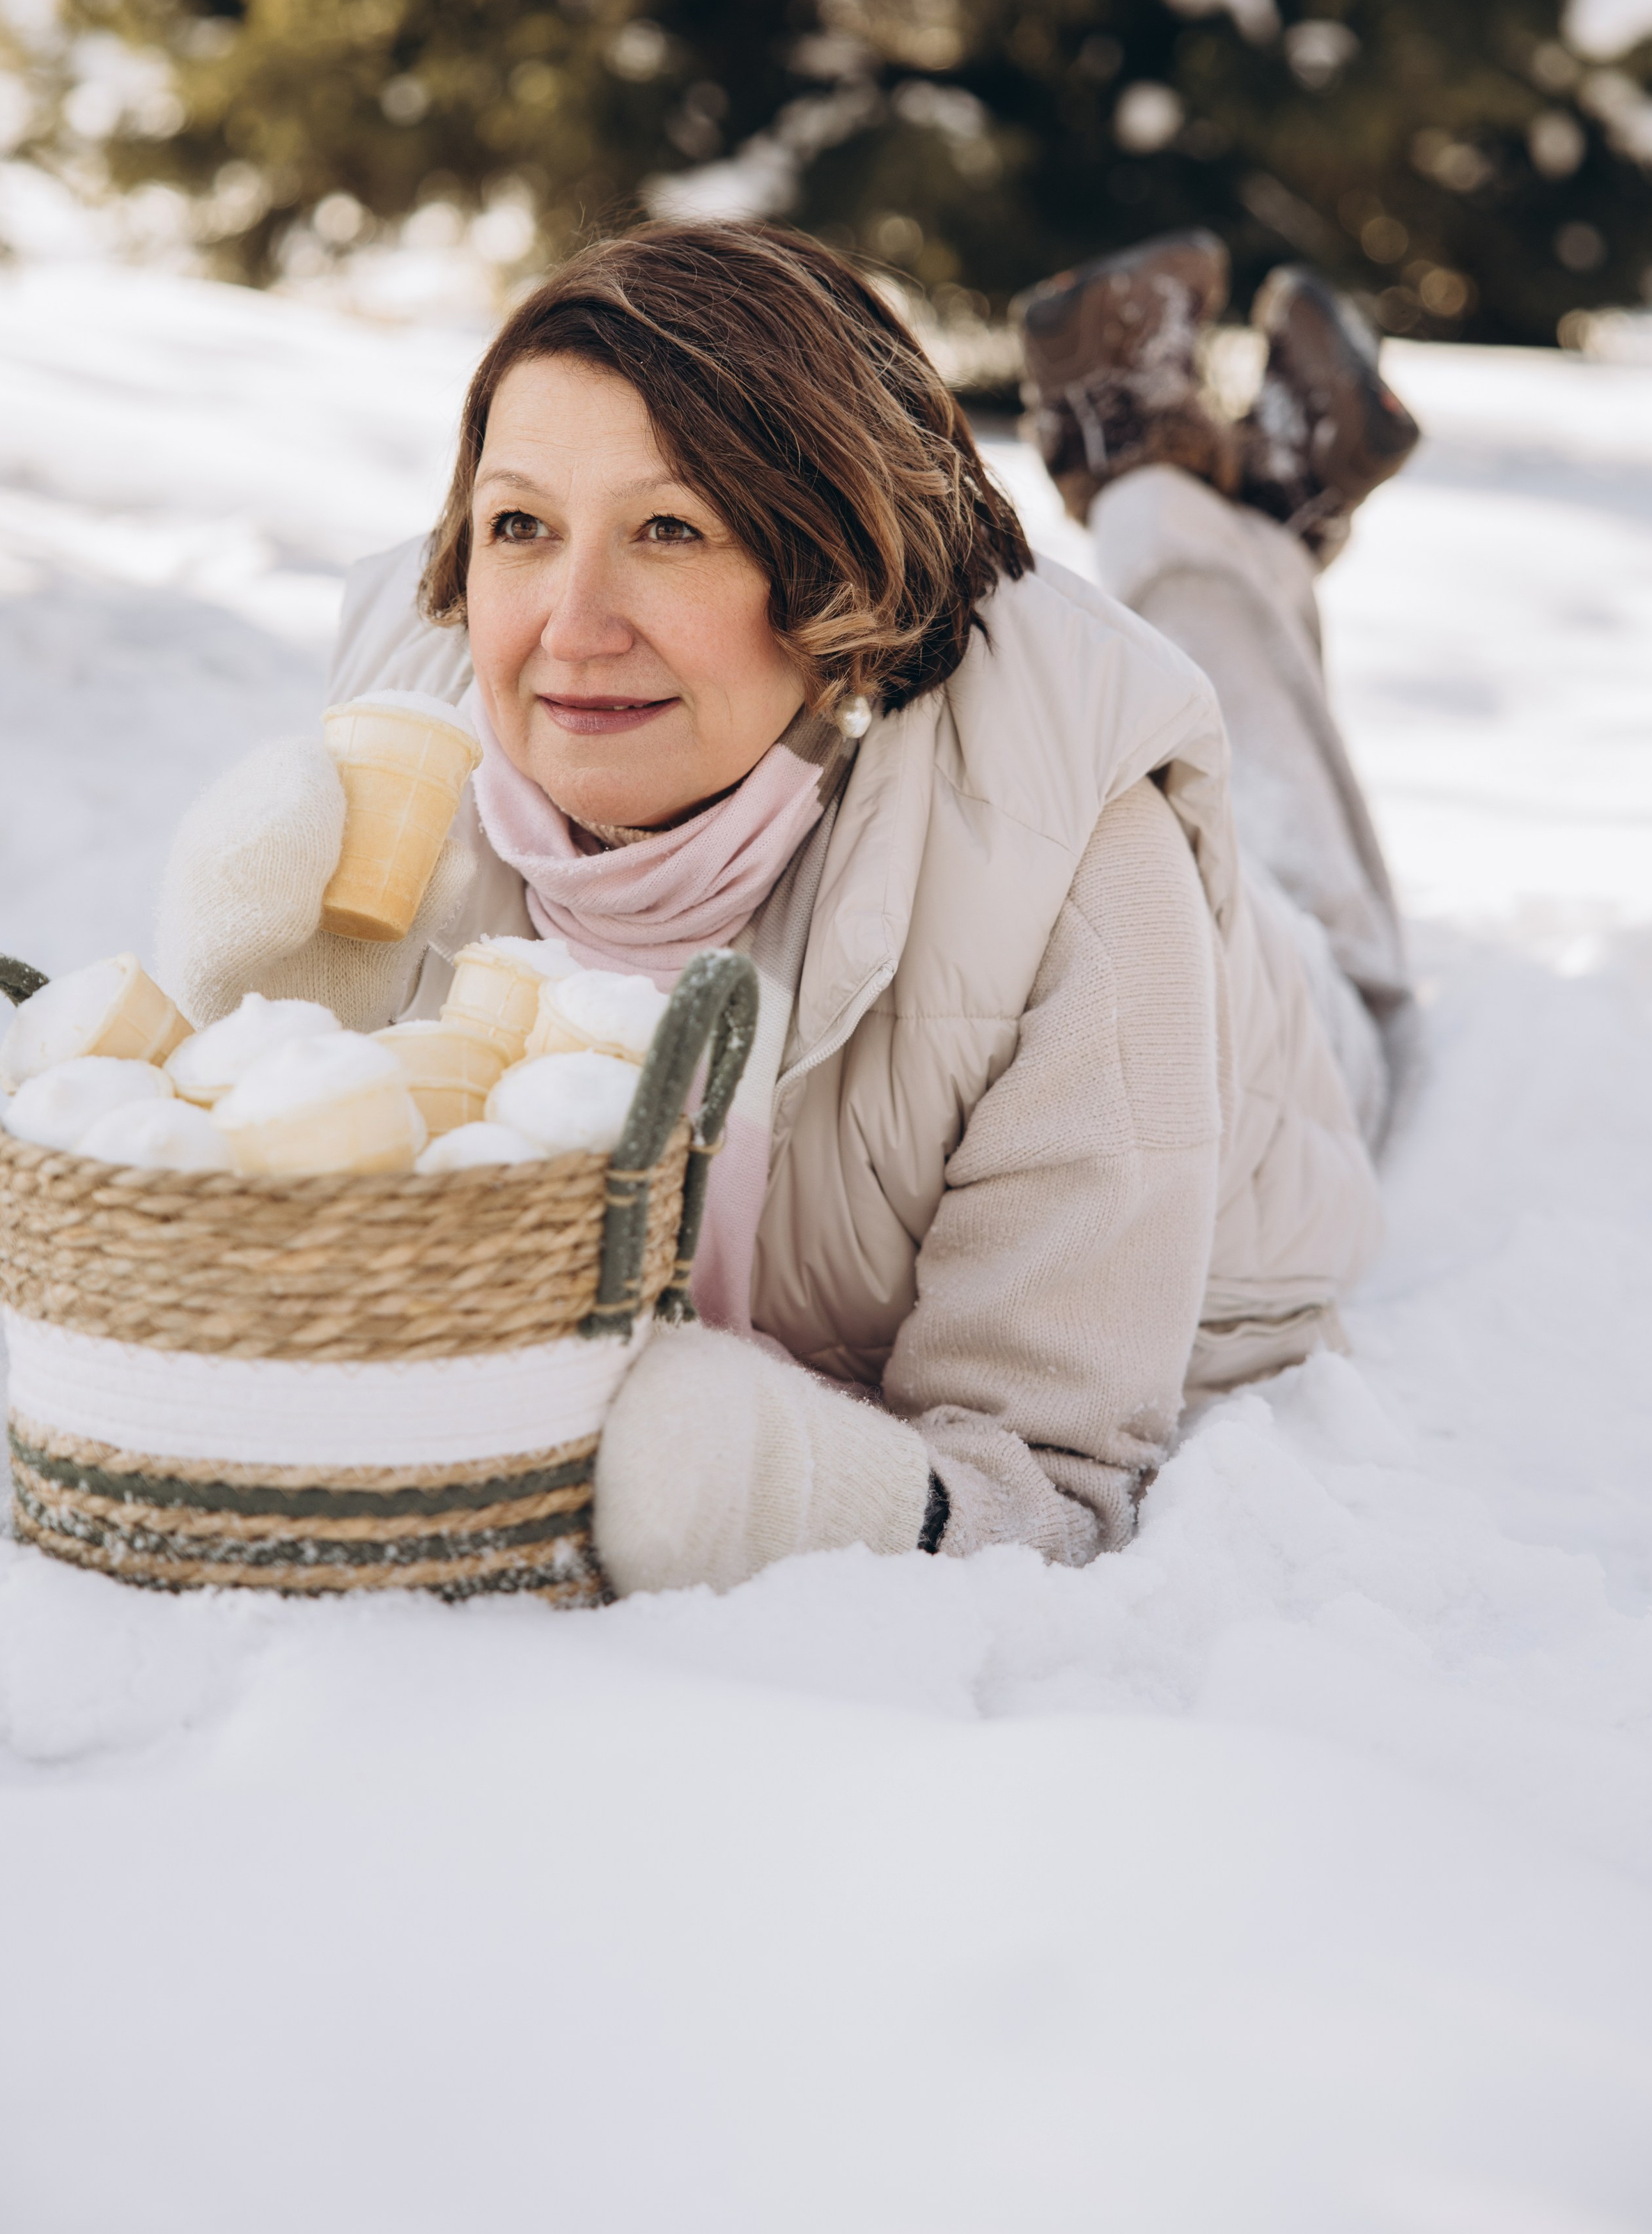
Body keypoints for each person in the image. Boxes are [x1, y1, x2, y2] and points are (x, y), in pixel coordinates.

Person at [158, 220, 1418, 1598]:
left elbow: (1051, 1483)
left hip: (1223, 1096)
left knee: (1306, 902)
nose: (569, 627)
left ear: (829, 569)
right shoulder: (403, 731)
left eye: (670, 530)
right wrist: (258, 1073)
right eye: (521, 524)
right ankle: (1172, 462)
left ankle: (1181, 493)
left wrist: (781, 1487)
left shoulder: (1080, 856)